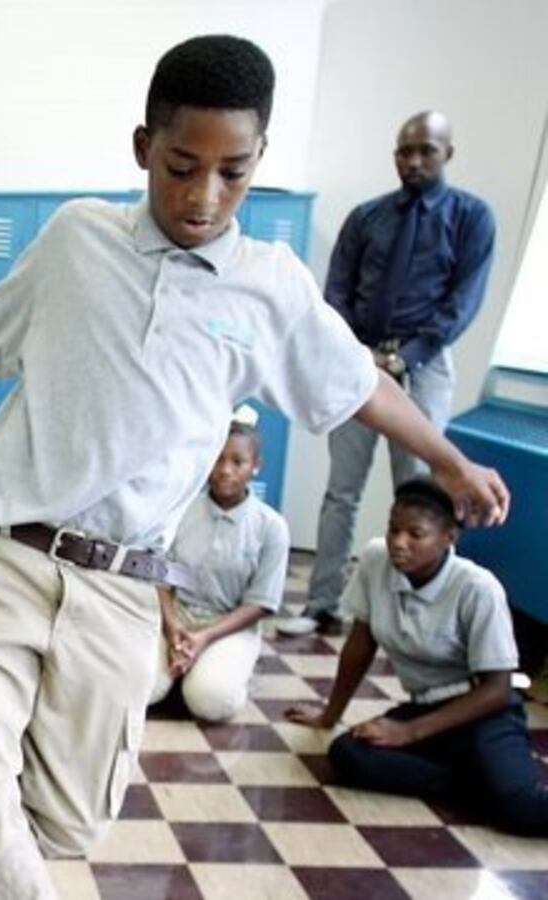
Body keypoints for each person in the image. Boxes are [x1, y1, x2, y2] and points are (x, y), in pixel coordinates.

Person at [0, 35, 510, 899]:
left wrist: (451, 460)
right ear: (143, 149)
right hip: (5, 557)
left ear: (259, 161)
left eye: (233, 172)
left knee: (62, 821)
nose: (204, 195)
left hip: (124, 591)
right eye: (180, 166)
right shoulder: (76, 239)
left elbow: (359, 387)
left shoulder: (268, 287)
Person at [280, 111, 496, 637]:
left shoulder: (471, 217)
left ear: (449, 152)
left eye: (425, 150)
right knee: (342, 491)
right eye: (404, 151)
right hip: (359, 362)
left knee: (421, 493)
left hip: (424, 366)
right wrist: (358, 355)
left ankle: (415, 616)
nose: (413, 160)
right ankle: (321, 603)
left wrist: (407, 357)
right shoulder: (366, 217)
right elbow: (335, 295)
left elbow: (462, 302)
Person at [286, 479, 546, 835]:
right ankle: (481, 787)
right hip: (426, 707)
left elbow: (497, 691)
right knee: (349, 755)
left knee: (524, 809)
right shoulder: (376, 560)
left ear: (448, 538)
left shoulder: (477, 588)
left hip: (484, 713)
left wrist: (408, 733)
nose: (398, 543)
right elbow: (361, 645)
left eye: (415, 534)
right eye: (393, 529)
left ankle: (497, 788)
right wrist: (330, 715)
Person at [148, 416, 289, 722]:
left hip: (229, 625)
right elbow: (159, 576)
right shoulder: (181, 510)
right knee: (144, 689)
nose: (225, 470)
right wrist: (173, 627)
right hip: (177, 617)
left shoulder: (271, 527)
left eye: (238, 461)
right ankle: (182, 667)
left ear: (256, 466)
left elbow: (260, 603)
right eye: (218, 459)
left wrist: (205, 638)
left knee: (210, 701)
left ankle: (220, 670)